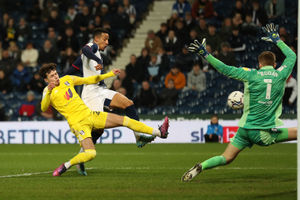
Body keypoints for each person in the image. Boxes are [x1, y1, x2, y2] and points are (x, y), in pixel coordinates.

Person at [182, 23, 297, 182]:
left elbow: (224, 68)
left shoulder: (251, 74)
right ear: (275, 64)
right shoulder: (281, 74)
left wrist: (205, 54)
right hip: (263, 132)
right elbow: (292, 56)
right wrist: (277, 40)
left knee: (226, 157)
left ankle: (201, 166)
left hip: (244, 129)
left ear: (260, 64)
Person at [39, 63, 170, 177]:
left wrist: (109, 74)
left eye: (56, 74)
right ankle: (66, 165)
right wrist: (50, 91)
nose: (56, 77)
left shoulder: (67, 79)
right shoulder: (47, 91)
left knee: (125, 120)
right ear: (46, 79)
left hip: (90, 115)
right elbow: (44, 107)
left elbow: (90, 79)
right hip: (78, 123)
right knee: (90, 154)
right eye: (52, 76)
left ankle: (160, 132)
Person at [66, 28, 156, 175]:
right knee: (98, 129)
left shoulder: (88, 56)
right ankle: (82, 157)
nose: (107, 42)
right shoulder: (92, 47)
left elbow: (73, 68)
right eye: (105, 39)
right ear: (96, 40)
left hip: (101, 89)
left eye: (108, 40)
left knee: (128, 103)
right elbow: (85, 49)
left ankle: (138, 137)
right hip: (90, 93)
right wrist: (97, 60)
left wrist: (61, 79)